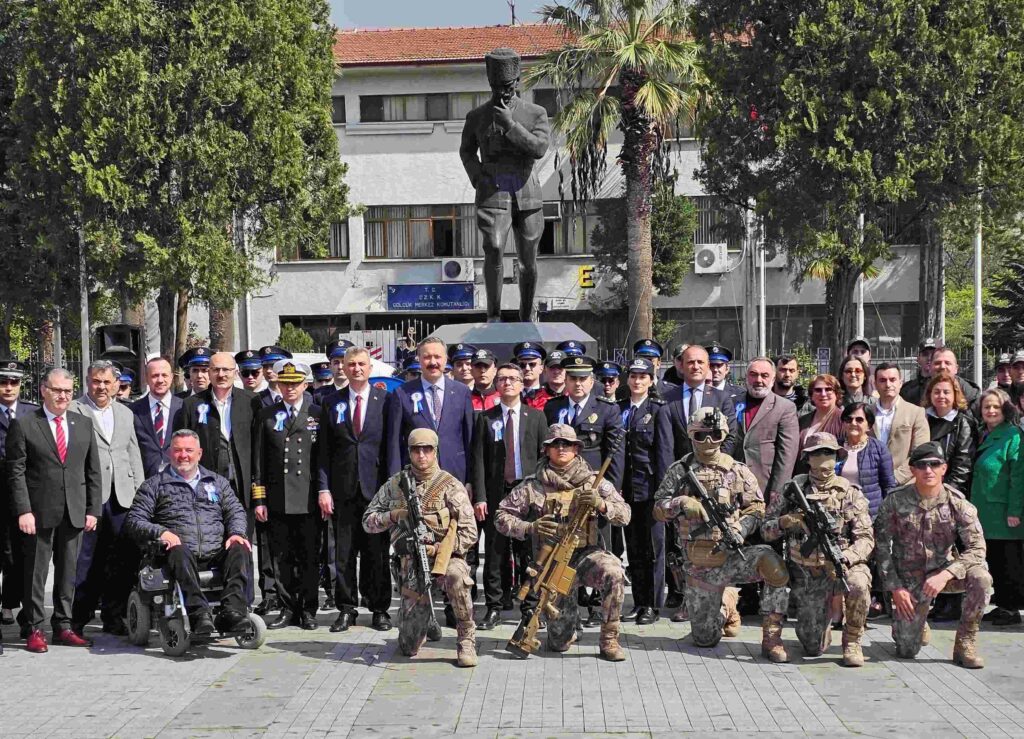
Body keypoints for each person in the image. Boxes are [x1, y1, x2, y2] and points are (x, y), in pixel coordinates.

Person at [653, 408, 790, 659]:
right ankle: (727, 605)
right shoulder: (679, 470)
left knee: (773, 565)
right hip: (699, 564)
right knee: (705, 640)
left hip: (733, 556)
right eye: (701, 435)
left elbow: (757, 508)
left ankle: (772, 638)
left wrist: (741, 527)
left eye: (714, 435)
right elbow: (658, 509)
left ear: (723, 436)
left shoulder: (736, 470)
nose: (707, 441)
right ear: (691, 435)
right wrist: (680, 503)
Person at [495, 424, 631, 661]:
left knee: (614, 572)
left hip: (587, 555)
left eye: (566, 444)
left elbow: (625, 515)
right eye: (555, 444)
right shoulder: (532, 484)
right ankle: (569, 627)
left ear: (576, 449)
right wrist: (530, 527)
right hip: (551, 563)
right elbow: (501, 516)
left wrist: (601, 505)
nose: (561, 448)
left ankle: (609, 639)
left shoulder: (595, 482)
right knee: (559, 643)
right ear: (546, 450)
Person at [363, 428, 479, 667]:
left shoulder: (450, 486)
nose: (422, 455)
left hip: (446, 559)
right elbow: (367, 521)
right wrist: (394, 515)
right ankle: (425, 621)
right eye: (416, 450)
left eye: (427, 450)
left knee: (457, 577)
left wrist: (438, 549)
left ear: (435, 452)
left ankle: (466, 637)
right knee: (408, 647)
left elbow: (470, 533)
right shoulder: (395, 484)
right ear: (409, 452)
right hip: (410, 564)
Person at [7, 368, 102, 652]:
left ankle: (63, 625)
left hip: (74, 511)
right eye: (58, 390)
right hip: (38, 513)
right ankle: (35, 628)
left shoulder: (82, 424)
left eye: (68, 391)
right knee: (35, 572)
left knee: (68, 572)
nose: (63, 396)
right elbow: (16, 472)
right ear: (43, 390)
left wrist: (93, 509)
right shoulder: (25, 425)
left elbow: (92, 470)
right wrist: (23, 510)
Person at [874, 441, 991, 668]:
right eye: (921, 465)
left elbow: (977, 549)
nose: (928, 470)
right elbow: (880, 547)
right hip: (908, 580)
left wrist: (947, 573)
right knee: (907, 650)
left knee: (981, 578)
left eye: (934, 464)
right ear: (912, 470)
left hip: (943, 574)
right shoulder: (895, 501)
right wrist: (895, 587)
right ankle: (919, 618)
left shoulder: (957, 503)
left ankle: (965, 643)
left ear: (944, 468)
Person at [762, 432, 875, 666]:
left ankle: (852, 641)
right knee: (813, 646)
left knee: (858, 583)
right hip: (804, 573)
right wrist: (785, 522)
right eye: (817, 453)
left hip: (838, 567)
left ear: (836, 457)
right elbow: (765, 529)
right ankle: (797, 632)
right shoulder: (792, 490)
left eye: (829, 453)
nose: (823, 458)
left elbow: (866, 538)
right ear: (807, 458)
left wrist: (846, 557)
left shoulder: (849, 492)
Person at [124, 430, 252, 636]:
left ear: (199, 453)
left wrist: (236, 532)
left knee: (240, 547)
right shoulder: (154, 485)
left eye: (189, 450)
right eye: (178, 450)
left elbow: (236, 510)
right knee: (179, 550)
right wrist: (162, 532)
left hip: (215, 551)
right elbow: (134, 520)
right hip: (178, 553)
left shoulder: (217, 482)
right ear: (169, 453)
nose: (183, 455)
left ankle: (232, 612)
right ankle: (198, 613)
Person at [460, 47, 550, 322]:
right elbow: (466, 151)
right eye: (498, 86)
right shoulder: (477, 116)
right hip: (493, 191)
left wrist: (511, 126)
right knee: (494, 247)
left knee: (527, 261)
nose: (504, 91)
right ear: (490, 84)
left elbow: (538, 148)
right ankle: (494, 314)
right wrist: (477, 177)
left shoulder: (535, 113)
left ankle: (525, 314)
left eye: (508, 86)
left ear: (517, 82)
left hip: (526, 191)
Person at [172, 352, 266, 607]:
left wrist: (258, 492)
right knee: (210, 543)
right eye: (216, 370)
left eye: (226, 370)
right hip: (206, 490)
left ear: (235, 372)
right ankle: (207, 602)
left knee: (241, 543)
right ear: (209, 373)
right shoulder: (192, 405)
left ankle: (241, 605)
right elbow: (182, 447)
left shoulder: (252, 402)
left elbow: (260, 449)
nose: (221, 375)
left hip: (242, 487)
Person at [654, 344, 737, 612]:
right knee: (681, 542)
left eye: (702, 362)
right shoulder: (669, 398)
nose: (696, 366)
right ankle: (683, 596)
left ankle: (716, 597)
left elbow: (731, 437)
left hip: (715, 482)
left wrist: (716, 472)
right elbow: (666, 445)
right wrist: (674, 482)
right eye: (690, 362)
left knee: (711, 539)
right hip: (682, 480)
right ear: (681, 365)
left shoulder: (722, 398)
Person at [316, 346, 392, 633]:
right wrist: (323, 489)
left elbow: (389, 450)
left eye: (362, 364)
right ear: (343, 368)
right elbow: (323, 451)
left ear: (370, 368)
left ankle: (379, 609)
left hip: (376, 491)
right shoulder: (330, 401)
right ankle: (346, 609)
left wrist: (391, 491)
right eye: (351, 364)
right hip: (342, 490)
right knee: (343, 554)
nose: (356, 368)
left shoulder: (385, 400)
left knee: (377, 553)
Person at [68, 360, 146, 637]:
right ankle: (77, 618)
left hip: (122, 498)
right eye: (96, 381)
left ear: (116, 385)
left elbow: (132, 454)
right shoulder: (73, 410)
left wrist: (140, 493)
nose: (101, 387)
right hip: (89, 496)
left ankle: (115, 615)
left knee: (122, 559)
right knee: (85, 560)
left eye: (107, 382)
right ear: (87, 382)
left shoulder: (125, 413)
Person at [471, 363, 547, 629]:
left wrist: (542, 495)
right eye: (502, 379)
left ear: (522, 383)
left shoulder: (536, 418)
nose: (508, 383)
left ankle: (530, 606)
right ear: (496, 383)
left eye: (513, 379)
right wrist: (480, 497)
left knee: (529, 553)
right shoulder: (485, 418)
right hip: (496, 493)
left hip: (527, 494)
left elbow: (542, 459)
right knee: (495, 552)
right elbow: (477, 461)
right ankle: (493, 606)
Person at [251, 361, 321, 630]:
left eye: (295, 383)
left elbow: (323, 457)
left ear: (305, 384)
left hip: (307, 496)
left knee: (309, 557)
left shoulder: (316, 412)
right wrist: (259, 499)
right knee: (281, 557)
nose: (290, 388)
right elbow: (259, 460)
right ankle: (287, 607)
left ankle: (308, 609)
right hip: (278, 497)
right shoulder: (268, 415)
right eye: (285, 383)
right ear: (278, 385)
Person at [386, 336, 475, 485]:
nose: (433, 362)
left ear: (446, 359)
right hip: (416, 477)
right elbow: (394, 442)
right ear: (419, 359)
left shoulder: (462, 392)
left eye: (437, 357)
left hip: (455, 474)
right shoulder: (402, 393)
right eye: (427, 357)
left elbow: (469, 438)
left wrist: (470, 481)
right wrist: (396, 481)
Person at [617, 358, 666, 624]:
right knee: (634, 548)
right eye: (633, 376)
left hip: (650, 489)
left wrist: (663, 492)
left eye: (643, 376)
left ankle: (653, 605)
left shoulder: (659, 410)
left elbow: (663, 453)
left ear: (651, 380)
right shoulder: (619, 409)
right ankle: (638, 601)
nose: (637, 381)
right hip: (627, 489)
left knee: (653, 549)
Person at [972, 388, 1024, 626]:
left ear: (1005, 409)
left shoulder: (1013, 435)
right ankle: (1002, 604)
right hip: (986, 511)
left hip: (1003, 513)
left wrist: (1015, 510)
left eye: (995, 407)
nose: (991, 411)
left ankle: (1011, 608)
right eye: (986, 407)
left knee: (1008, 561)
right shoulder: (984, 434)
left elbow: (1018, 477)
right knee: (995, 559)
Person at [0, 360, 38, 638]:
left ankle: (27, 614)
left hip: (26, 496)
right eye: (4, 381)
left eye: (14, 382)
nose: (9, 387)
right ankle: (6, 605)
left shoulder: (31, 413)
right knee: (5, 553)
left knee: (26, 555)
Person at [731, 357, 799, 505]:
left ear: (773, 379)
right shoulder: (732, 403)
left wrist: (778, 489)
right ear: (746, 376)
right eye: (753, 374)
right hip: (732, 487)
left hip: (764, 488)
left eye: (764, 375)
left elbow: (787, 454)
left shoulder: (785, 408)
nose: (758, 380)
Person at [873, 362, 930, 485]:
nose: (888, 385)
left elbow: (920, 452)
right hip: (872, 484)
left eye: (892, 380)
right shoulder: (865, 414)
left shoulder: (916, 413)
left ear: (900, 382)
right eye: (882, 380)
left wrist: (895, 478)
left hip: (904, 484)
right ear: (875, 384)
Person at [922, 371, 977, 494]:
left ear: (955, 395)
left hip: (950, 491)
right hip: (923, 486)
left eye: (946, 392)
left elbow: (963, 465)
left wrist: (945, 491)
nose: (941, 396)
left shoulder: (964, 423)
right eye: (936, 392)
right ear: (930, 395)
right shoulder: (921, 418)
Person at [838, 403, 897, 518]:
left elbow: (889, 486)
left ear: (869, 425)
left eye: (859, 420)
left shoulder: (879, 449)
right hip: (839, 513)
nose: (853, 423)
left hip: (869, 516)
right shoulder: (835, 447)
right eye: (848, 419)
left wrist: (887, 516)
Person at [131, 356, 184, 478]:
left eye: (164, 375)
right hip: (145, 481)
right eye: (155, 376)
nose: (160, 380)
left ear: (171, 377)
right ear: (146, 379)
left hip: (179, 480)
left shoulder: (184, 407)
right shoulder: (133, 411)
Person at [797, 374, 845, 469]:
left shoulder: (844, 420)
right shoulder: (802, 420)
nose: (823, 394)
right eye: (818, 390)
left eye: (828, 389)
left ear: (837, 394)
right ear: (811, 395)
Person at [515, 341, 552, 410]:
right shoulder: (509, 394)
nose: (527, 368)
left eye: (532, 364)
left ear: (541, 368)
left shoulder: (550, 397)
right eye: (522, 365)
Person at [900, 338, 937, 405]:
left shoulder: (952, 386)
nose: (929, 358)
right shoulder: (907, 389)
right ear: (918, 359)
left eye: (934, 354)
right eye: (925, 354)